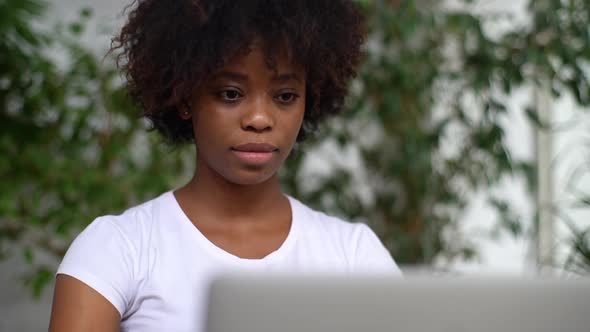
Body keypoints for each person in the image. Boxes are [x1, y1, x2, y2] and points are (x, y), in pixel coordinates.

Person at [48, 0, 401, 331]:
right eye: (231, 94)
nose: (260, 118)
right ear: (186, 97)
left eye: (285, 96)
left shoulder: (354, 255)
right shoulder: (119, 248)